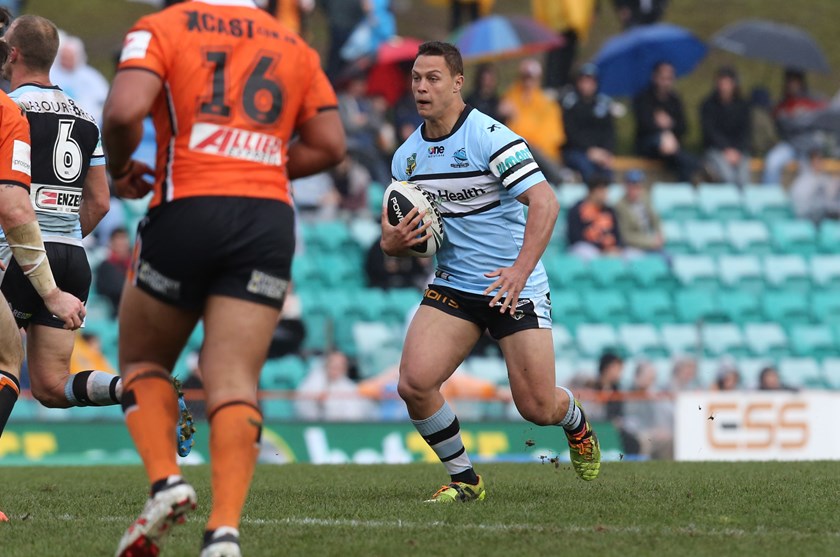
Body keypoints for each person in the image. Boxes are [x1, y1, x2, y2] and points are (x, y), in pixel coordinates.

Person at [103, 1, 345, 555]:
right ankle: (225, 533)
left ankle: (166, 481)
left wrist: (119, 171)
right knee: (234, 378)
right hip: (266, 217)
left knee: (143, 361)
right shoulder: (293, 43)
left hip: (188, 203)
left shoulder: (163, 27)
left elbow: (122, 114)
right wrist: (261, 164)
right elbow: (332, 144)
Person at [383, 41, 600, 503]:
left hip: (513, 286)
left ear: (458, 83)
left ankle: (575, 419)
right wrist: (394, 243)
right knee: (414, 384)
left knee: (537, 407)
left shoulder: (489, 137)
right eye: (417, 78)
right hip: (454, 287)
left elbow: (546, 201)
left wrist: (520, 273)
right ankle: (466, 480)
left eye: (433, 78)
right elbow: (391, 238)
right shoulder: (407, 158)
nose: (421, 87)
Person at [0, 16, 115, 416]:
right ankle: (128, 387)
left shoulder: (9, 109)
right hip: (70, 258)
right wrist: (61, 236)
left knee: (3, 364)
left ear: (12, 54)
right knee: (52, 386)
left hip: (17, 256)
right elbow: (100, 201)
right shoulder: (86, 117)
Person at [498, 58, 565, 185]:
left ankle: (558, 176)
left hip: (538, 152)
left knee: (530, 148)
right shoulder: (511, 97)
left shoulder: (546, 103)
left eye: (531, 78)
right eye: (524, 77)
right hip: (516, 151)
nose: (527, 82)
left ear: (538, 80)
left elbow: (552, 136)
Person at [632, 61, 696, 183]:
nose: (666, 82)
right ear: (655, 77)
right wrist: (661, 130)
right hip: (648, 145)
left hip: (671, 147)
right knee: (670, 149)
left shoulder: (675, 100)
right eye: (663, 77)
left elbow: (684, 127)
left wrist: (670, 124)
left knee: (686, 163)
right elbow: (643, 125)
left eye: (669, 78)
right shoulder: (643, 98)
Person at [762, 68, 828, 185]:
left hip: (808, 148)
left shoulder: (812, 101)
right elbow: (779, 128)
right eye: (789, 81)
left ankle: (807, 202)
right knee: (772, 162)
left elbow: (819, 127)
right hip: (789, 146)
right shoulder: (782, 104)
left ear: (801, 82)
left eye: (794, 81)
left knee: (808, 174)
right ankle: (770, 199)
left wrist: (815, 152)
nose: (791, 84)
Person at [561, 63, 616, 183]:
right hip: (575, 150)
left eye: (590, 81)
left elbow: (609, 132)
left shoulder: (603, 104)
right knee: (587, 169)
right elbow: (570, 132)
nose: (587, 85)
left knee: (608, 173)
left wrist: (606, 151)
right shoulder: (570, 103)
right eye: (584, 81)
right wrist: (589, 150)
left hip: (599, 152)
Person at [700, 66, 751, 187]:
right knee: (728, 177)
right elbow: (710, 132)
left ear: (734, 85)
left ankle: (741, 205)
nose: (724, 87)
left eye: (727, 83)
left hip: (739, 151)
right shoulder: (708, 105)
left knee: (743, 179)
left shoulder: (742, 105)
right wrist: (726, 150)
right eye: (721, 83)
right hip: (716, 150)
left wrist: (737, 151)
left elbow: (746, 132)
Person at [295, 351, 376, 420]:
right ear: (327, 366)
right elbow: (300, 404)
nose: (335, 370)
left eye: (339, 367)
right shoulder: (313, 381)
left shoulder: (349, 387)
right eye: (333, 366)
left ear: (344, 369)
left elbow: (354, 414)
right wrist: (316, 401)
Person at [566, 173, 623, 260]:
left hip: (610, 251)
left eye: (605, 190)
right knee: (584, 250)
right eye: (601, 190)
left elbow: (617, 235)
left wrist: (615, 248)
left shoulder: (610, 211)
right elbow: (574, 237)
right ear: (591, 192)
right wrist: (601, 249)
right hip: (587, 249)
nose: (605, 194)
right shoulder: (577, 209)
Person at [614, 169, 665, 256]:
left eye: (638, 185)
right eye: (632, 185)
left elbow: (655, 219)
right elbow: (625, 235)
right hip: (632, 247)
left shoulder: (645, 198)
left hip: (650, 243)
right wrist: (650, 242)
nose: (636, 189)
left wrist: (659, 234)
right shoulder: (620, 206)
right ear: (626, 186)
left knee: (667, 259)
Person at [790, 147, 840, 222]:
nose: (820, 163)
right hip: (807, 216)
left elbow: (830, 199)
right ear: (811, 162)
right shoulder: (803, 180)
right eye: (818, 160)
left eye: (821, 160)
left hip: (821, 214)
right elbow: (801, 206)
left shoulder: (824, 178)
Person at [95, 227, 132, 316]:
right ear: (111, 243)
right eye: (118, 240)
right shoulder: (105, 266)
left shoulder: (135, 264)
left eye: (124, 239)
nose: (121, 244)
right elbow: (111, 289)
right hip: (114, 312)